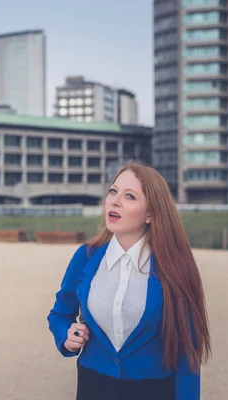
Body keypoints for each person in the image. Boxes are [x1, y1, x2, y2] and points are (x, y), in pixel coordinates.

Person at [47, 160, 211, 400]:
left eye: (130, 196)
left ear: (151, 214)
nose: (115, 201)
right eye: (113, 191)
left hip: (154, 391)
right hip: (93, 387)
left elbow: (188, 352)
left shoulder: (175, 266)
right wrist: (67, 337)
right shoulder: (86, 257)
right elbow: (60, 314)